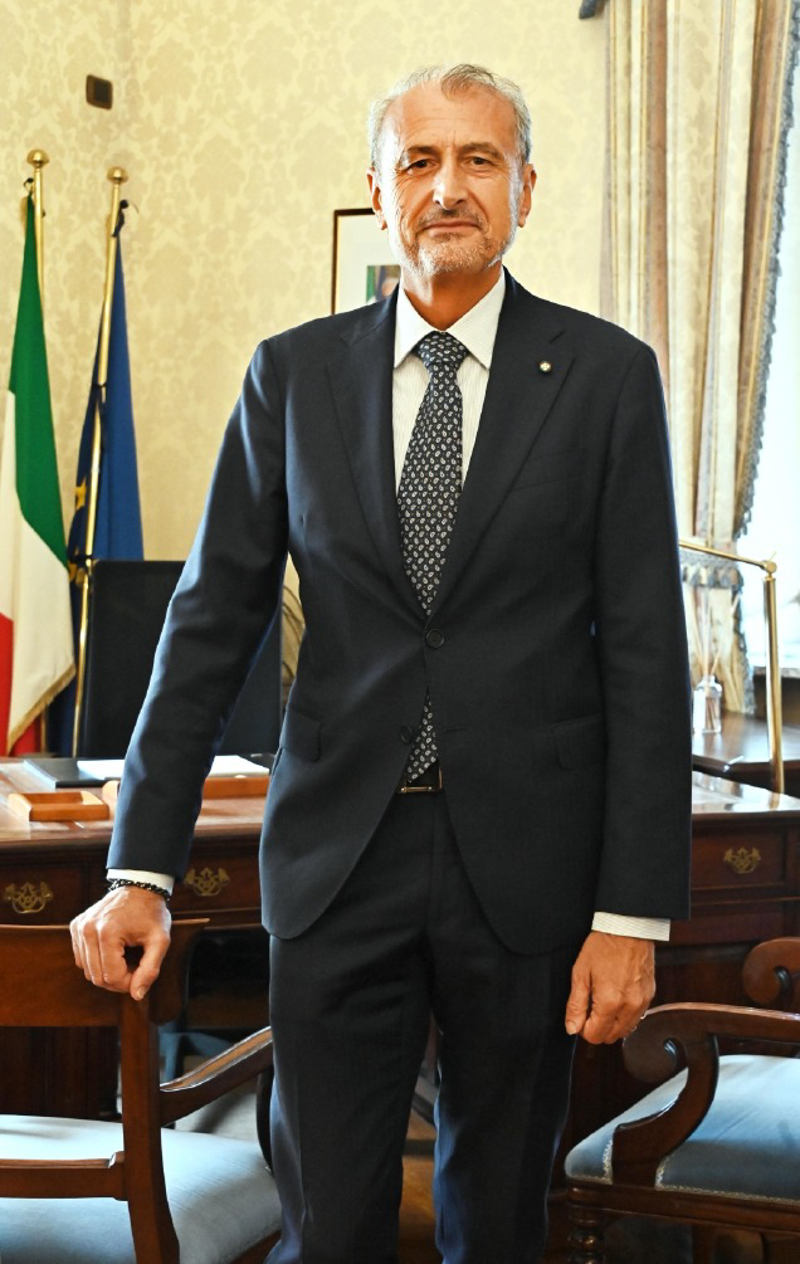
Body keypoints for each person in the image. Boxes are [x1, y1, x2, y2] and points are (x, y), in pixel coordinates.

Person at [71, 64, 691, 1264]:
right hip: (336, 860)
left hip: (529, 870)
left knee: (497, 1223)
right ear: (378, 190)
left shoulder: (605, 378)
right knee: (329, 1221)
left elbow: (643, 657)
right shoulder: (291, 374)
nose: (446, 187)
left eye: (477, 160)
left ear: (523, 189)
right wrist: (140, 864)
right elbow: (208, 627)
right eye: (418, 161)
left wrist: (629, 913)